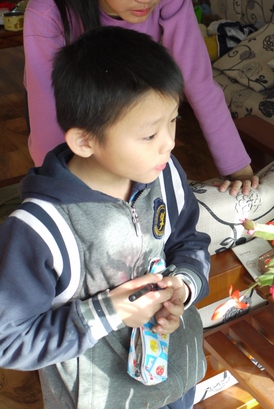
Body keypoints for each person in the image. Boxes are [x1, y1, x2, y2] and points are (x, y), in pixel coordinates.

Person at [0, 27, 211, 409]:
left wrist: (183, 286)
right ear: (85, 141)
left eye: (173, 121)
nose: (170, 142)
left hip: (177, 380)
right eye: (149, 135)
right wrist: (108, 312)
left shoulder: (164, 174)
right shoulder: (40, 230)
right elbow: (9, 341)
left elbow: (188, 242)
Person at [24, 0, 259, 195]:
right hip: (82, 147)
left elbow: (197, 77)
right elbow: (46, 122)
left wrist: (237, 168)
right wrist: (67, 195)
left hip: (139, 146)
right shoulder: (48, 14)